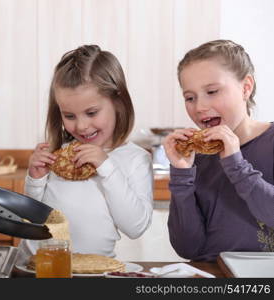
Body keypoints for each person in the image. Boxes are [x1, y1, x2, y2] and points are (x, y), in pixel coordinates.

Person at [21, 45, 153, 258]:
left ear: (118, 102)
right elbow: (31, 217)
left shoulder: (135, 159)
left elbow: (135, 227)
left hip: (95, 271)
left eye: (91, 112)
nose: (81, 126)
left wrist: (107, 167)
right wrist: (35, 180)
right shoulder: (56, 154)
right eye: (69, 116)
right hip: (38, 267)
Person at [163, 39, 274, 262]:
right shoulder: (198, 157)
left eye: (212, 91)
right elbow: (189, 248)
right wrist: (182, 174)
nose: (200, 107)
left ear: (246, 87)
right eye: (190, 97)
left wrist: (236, 165)